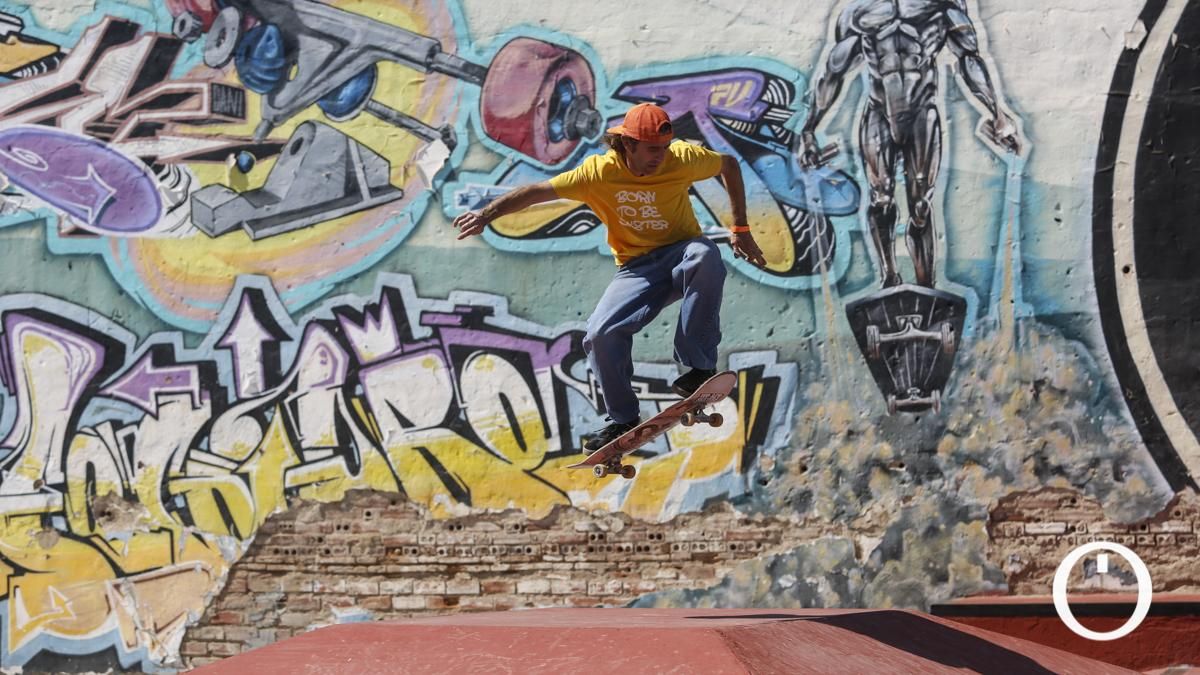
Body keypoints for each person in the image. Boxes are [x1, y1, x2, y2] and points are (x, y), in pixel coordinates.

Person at [453, 102, 765, 451]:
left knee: (706, 254)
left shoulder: (682, 157)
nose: (660, 158)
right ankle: (622, 420)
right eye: (651, 150)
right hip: (637, 267)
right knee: (600, 334)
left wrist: (740, 227)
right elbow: (536, 193)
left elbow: (729, 165)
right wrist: (486, 215)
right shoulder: (596, 173)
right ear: (627, 144)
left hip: (681, 253)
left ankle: (699, 368)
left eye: (663, 149)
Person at [796, 0, 1021, 288]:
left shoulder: (942, 5)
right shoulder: (859, 12)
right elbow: (833, 72)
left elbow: (969, 59)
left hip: (921, 112)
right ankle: (889, 276)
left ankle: (926, 285)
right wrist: (809, 130)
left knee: (920, 206)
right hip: (879, 111)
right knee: (880, 199)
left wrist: (998, 115)